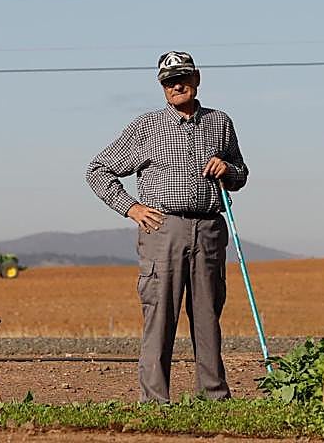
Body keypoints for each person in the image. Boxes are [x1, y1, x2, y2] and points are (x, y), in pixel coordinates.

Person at [86, 50, 249, 403]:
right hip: (163, 230)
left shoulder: (220, 122)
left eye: (183, 78)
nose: (177, 85)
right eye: (169, 81)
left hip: (209, 229)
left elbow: (241, 174)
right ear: (162, 87)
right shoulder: (147, 127)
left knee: (207, 317)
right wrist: (130, 207)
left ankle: (214, 397)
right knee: (160, 316)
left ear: (197, 79)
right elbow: (97, 170)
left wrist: (229, 170)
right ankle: (156, 401)